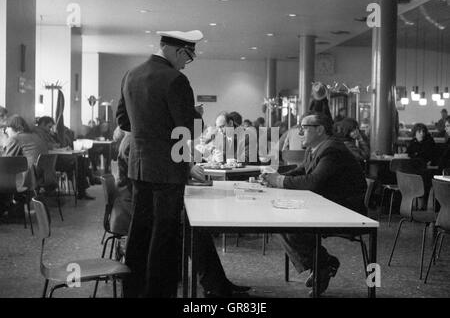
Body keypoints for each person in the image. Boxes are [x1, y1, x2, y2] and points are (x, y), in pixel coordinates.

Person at [117, 30, 248, 298]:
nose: (187, 63)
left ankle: (133, 290)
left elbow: (123, 122)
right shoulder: (175, 79)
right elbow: (189, 129)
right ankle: (158, 293)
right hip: (167, 167)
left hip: (138, 165)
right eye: (188, 57)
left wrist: (151, 127)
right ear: (178, 51)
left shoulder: (131, 75)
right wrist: (196, 115)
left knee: (140, 230)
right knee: (164, 235)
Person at [261, 112, 367, 297]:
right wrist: (275, 178)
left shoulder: (332, 149)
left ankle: (322, 264)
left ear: (320, 129)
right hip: (326, 204)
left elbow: (313, 182)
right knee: (281, 220)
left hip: (345, 210)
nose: (299, 131)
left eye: (304, 127)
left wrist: (278, 181)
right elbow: (302, 171)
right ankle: (323, 264)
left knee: (286, 224)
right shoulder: (315, 148)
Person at [34, 116, 96, 200]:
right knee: (79, 162)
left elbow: (53, 144)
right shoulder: (38, 134)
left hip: (54, 159)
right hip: (51, 162)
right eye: (49, 127)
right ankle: (85, 187)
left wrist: (55, 140)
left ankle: (87, 184)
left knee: (80, 161)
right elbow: (46, 146)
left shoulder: (45, 133)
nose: (50, 129)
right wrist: (56, 145)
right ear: (42, 124)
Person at [1, 115, 48, 218]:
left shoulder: (15, 138)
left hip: (27, 179)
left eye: (6, 128)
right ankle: (10, 209)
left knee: (3, 177)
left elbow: (5, 161)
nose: (5, 131)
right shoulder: (35, 136)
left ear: (14, 128)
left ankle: (5, 209)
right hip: (40, 176)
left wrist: (5, 142)